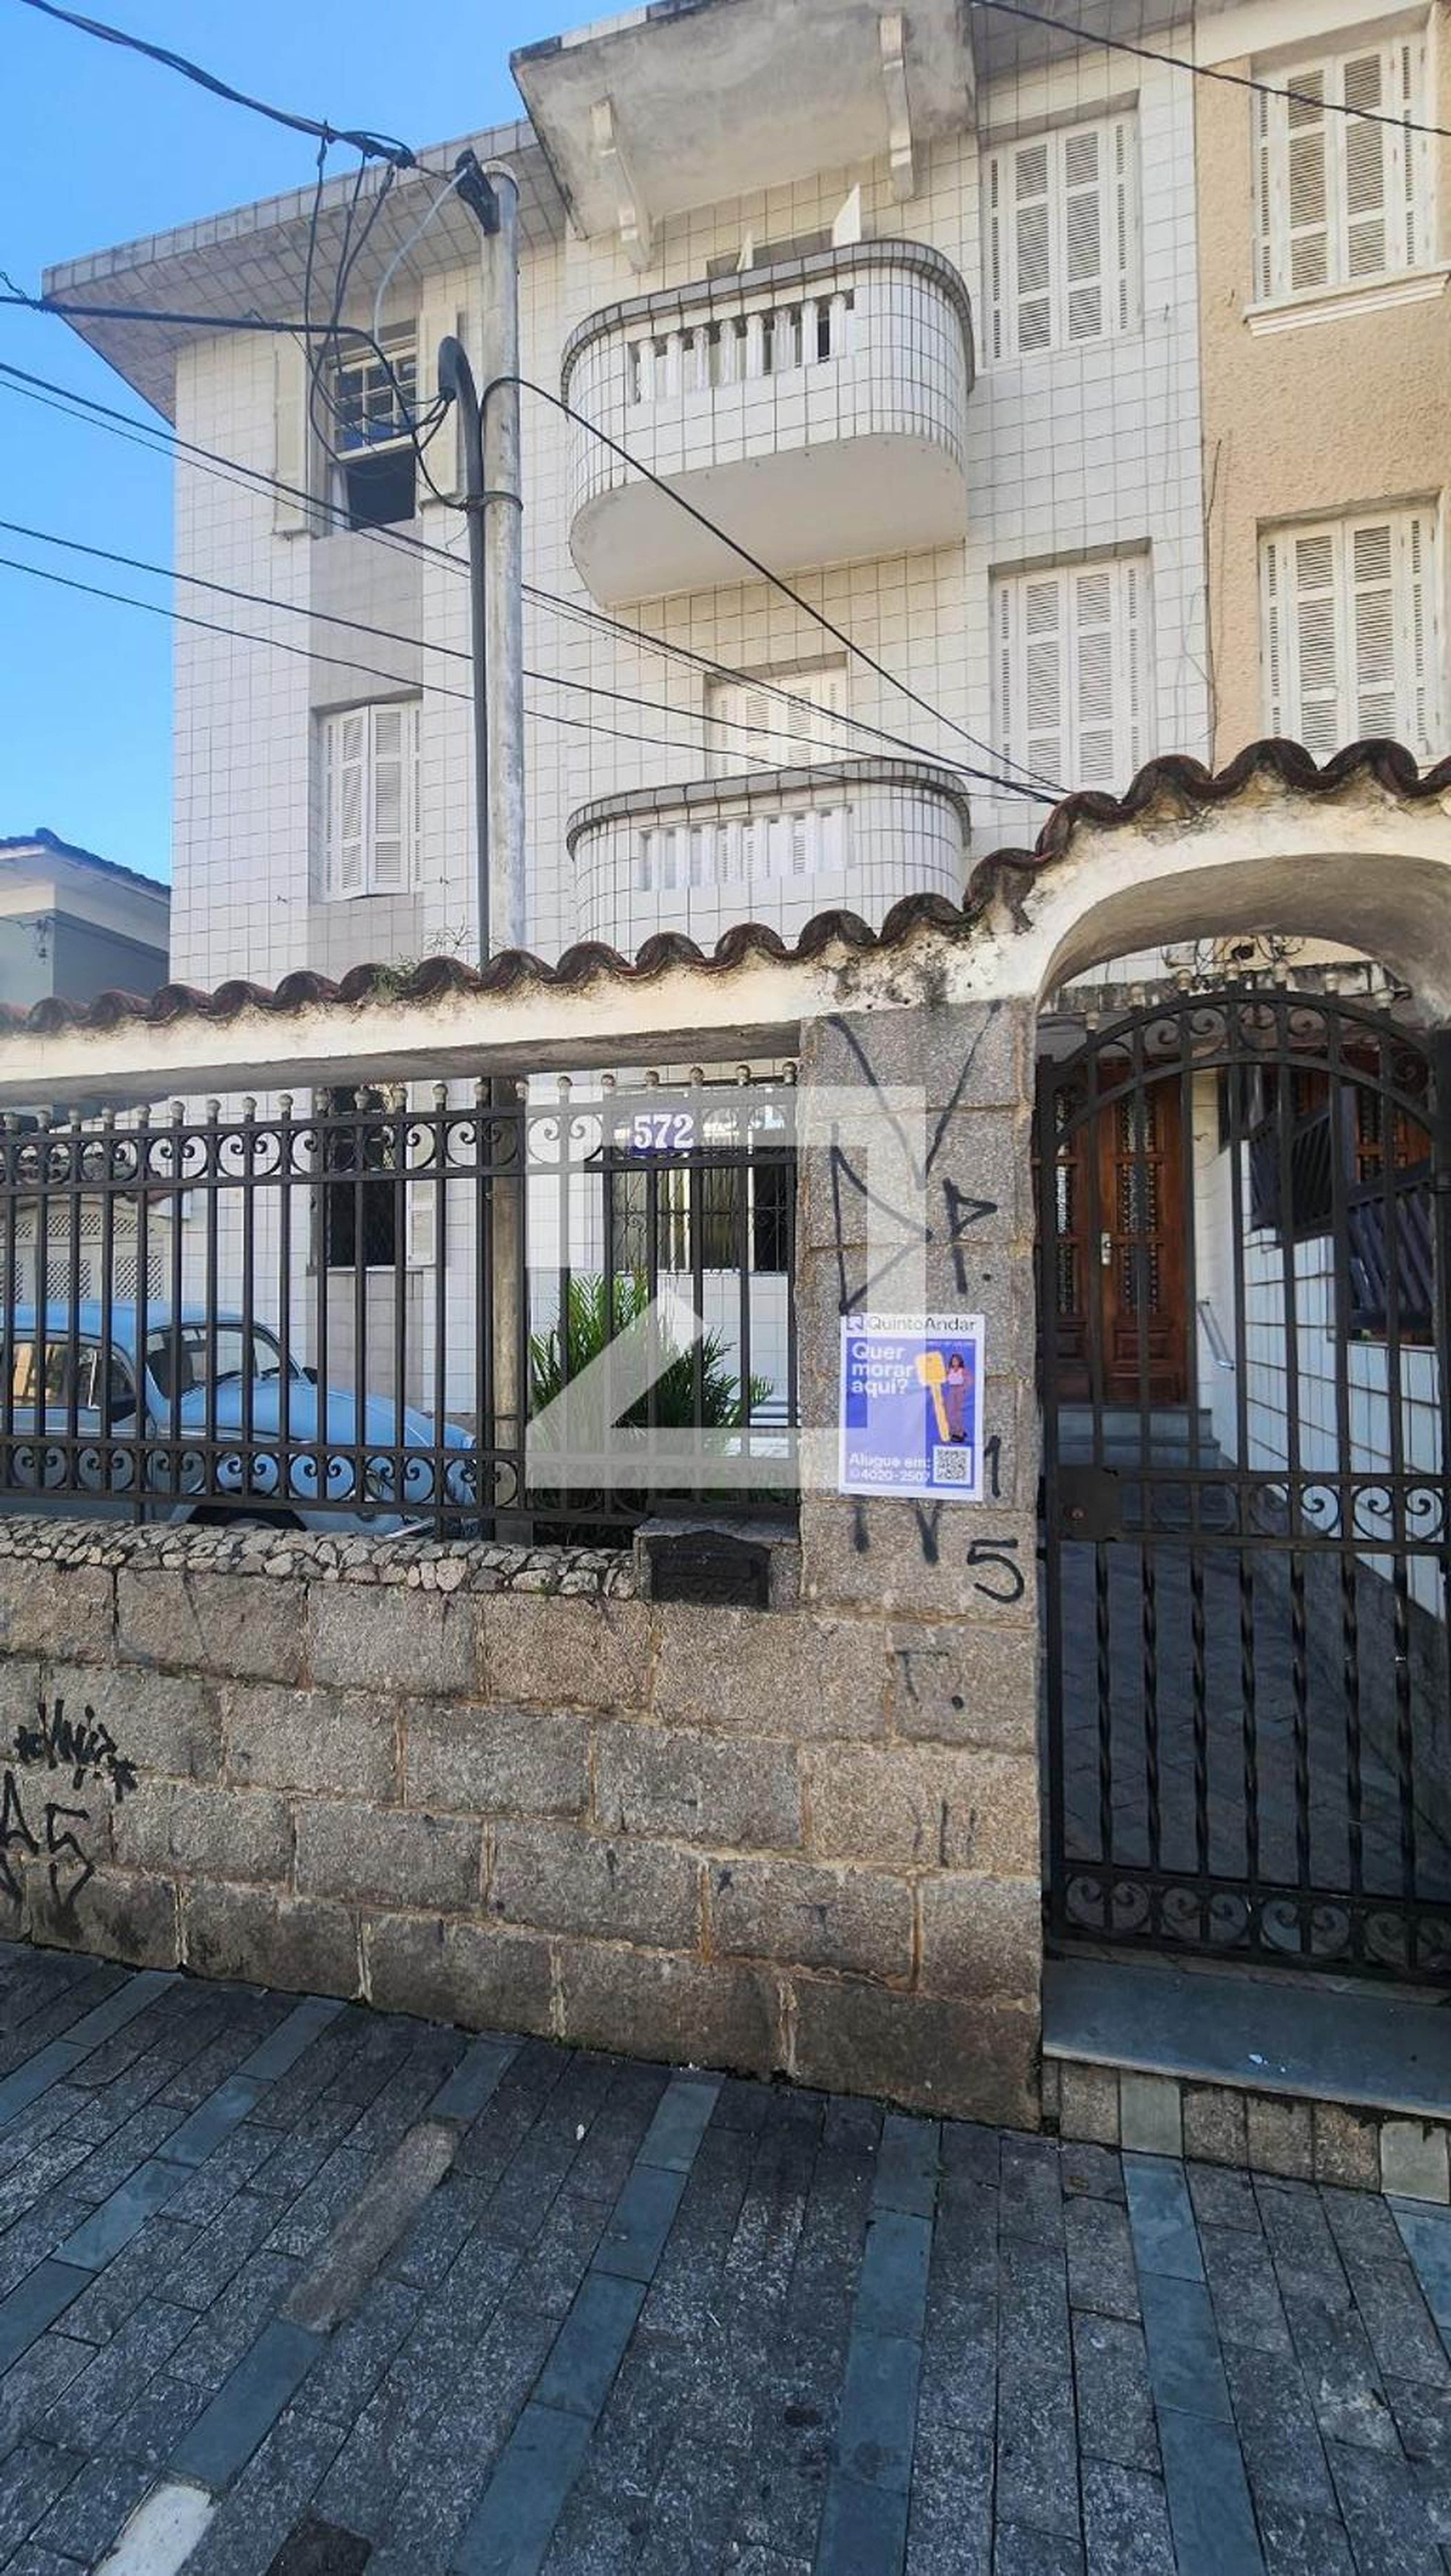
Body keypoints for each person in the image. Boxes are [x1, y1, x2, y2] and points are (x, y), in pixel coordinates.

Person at [943, 1350, 970, 1442]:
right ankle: (954, 1431)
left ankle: (959, 1433)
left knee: (958, 1413)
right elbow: (944, 1379)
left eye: (957, 1361)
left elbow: (969, 1381)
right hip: (952, 1390)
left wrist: (963, 1389)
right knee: (950, 1412)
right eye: (953, 1361)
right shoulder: (949, 1371)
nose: (955, 1362)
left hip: (959, 1390)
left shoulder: (963, 1371)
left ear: (960, 1362)